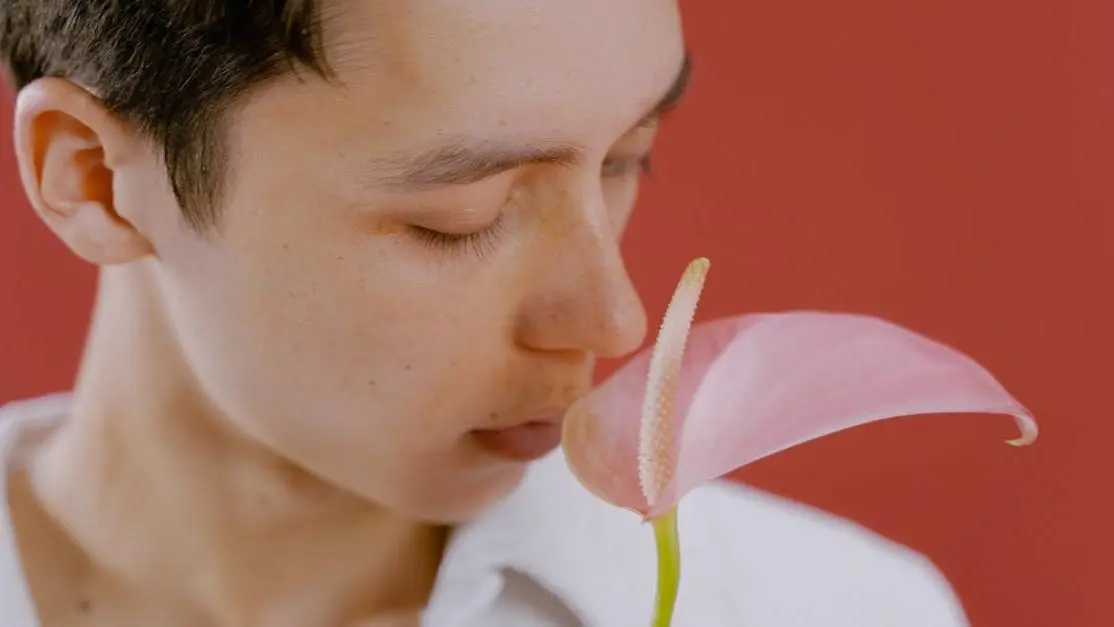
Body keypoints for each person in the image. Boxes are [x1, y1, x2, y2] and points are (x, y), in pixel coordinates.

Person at [0, 1, 970, 625]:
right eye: (458, 219)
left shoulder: (830, 607)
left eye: (627, 158)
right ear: (93, 179)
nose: (613, 323)